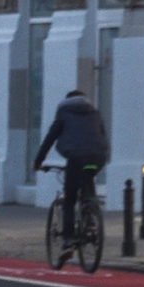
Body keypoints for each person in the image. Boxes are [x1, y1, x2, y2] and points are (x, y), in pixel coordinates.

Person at [32, 88, 112, 245]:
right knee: (88, 181)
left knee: (70, 200)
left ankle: (68, 240)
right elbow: (103, 137)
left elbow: (50, 139)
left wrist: (38, 162)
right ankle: (91, 217)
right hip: (98, 157)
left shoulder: (63, 113)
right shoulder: (95, 113)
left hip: (76, 158)